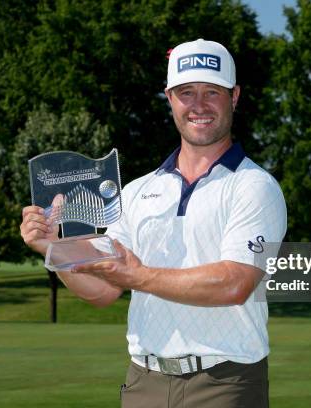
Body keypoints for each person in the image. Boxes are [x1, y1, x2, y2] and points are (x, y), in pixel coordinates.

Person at [20, 38, 287, 408]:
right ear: (169, 98)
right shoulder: (136, 190)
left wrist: (138, 276)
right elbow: (102, 291)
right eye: (186, 92)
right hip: (143, 382)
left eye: (212, 91)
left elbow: (235, 284)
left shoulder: (255, 186)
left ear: (235, 96)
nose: (199, 105)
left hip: (225, 382)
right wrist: (53, 248)